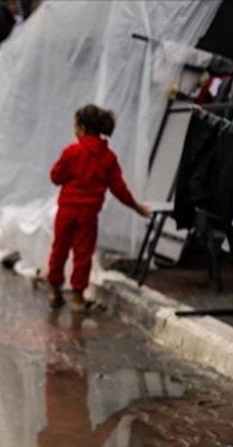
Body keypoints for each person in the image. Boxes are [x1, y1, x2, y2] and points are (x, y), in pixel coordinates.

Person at [47, 104, 150, 311]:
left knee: (59, 250)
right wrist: (136, 206)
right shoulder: (108, 157)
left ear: (82, 128)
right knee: (83, 254)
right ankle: (77, 298)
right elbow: (119, 188)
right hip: (89, 214)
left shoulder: (71, 151)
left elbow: (55, 177)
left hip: (66, 210)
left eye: (75, 126)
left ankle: (54, 291)